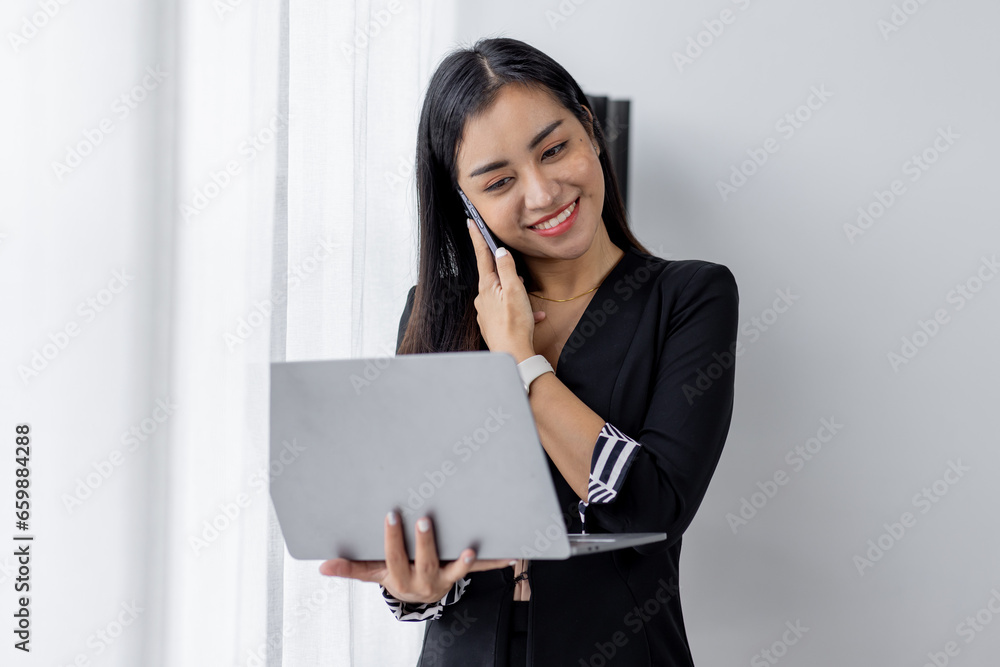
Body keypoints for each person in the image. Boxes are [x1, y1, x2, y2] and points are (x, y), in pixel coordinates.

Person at [319, 36, 739, 666]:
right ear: (463, 202)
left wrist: (520, 361)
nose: (543, 193)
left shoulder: (688, 296)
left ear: (590, 131)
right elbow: (424, 521)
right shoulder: (434, 312)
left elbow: (651, 511)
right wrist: (414, 588)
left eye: (555, 148)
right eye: (499, 181)